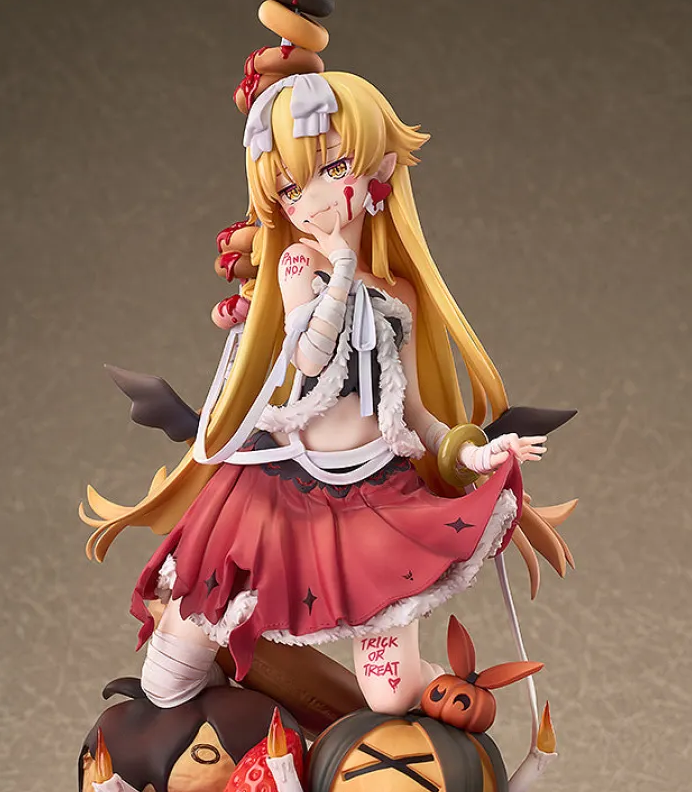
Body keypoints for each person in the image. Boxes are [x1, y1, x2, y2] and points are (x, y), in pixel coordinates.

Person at [82, 71, 563, 716]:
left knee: (392, 697)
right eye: (287, 187)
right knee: (169, 676)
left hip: (377, 493)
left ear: (379, 170)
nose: (307, 200)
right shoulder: (297, 265)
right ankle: (227, 737)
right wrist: (336, 267)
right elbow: (310, 355)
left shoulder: (398, 295)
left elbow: (413, 413)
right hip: (280, 487)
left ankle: (423, 725)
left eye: (331, 168)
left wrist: (476, 454)